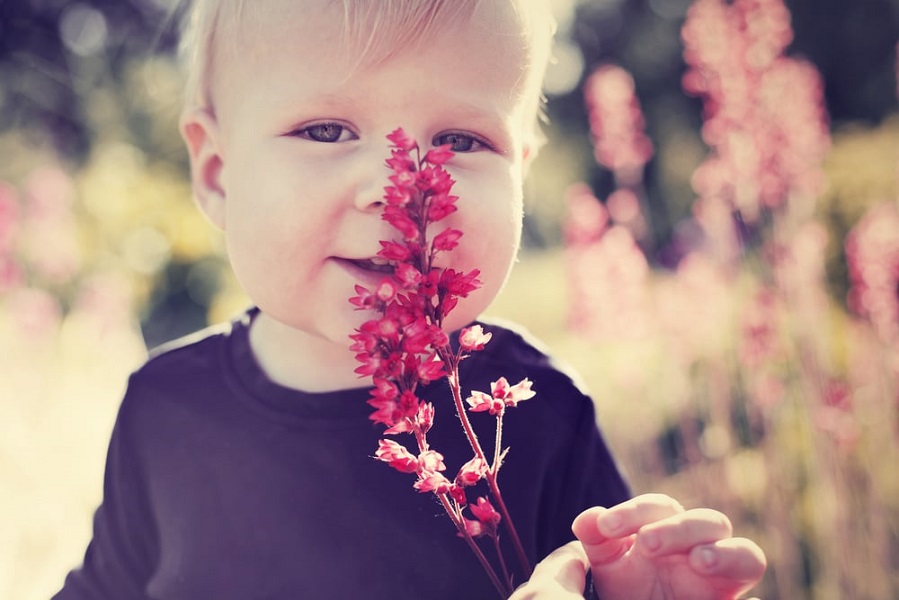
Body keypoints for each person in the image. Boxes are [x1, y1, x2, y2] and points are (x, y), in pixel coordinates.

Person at [53, 1, 766, 598]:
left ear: (520, 172)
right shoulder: (165, 407)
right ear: (216, 173)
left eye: (460, 138)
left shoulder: (537, 413)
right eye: (325, 130)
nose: (398, 196)